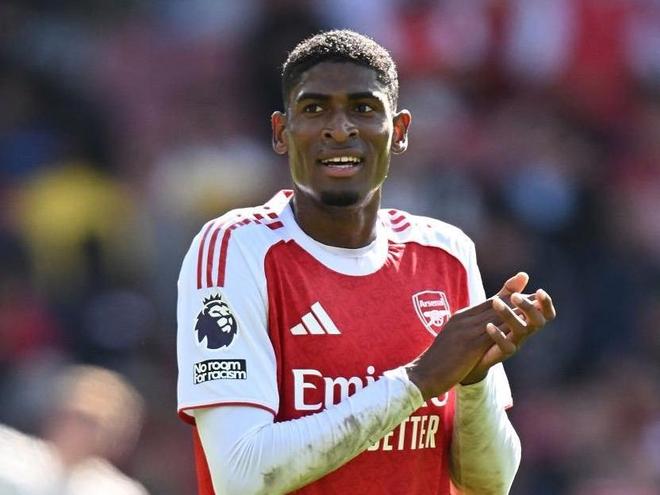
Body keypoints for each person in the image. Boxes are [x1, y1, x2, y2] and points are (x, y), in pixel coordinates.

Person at [176, 30, 556, 495]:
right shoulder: (237, 248)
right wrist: (417, 381)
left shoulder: (446, 253)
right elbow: (240, 476)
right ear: (281, 133)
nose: (340, 129)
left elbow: (489, 482)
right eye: (314, 109)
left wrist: (473, 382)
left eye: (362, 108)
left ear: (399, 132)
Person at [0, 365, 148, 495]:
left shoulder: (118, 491)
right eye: (76, 416)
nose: (80, 431)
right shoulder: (7, 456)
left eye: (93, 424)